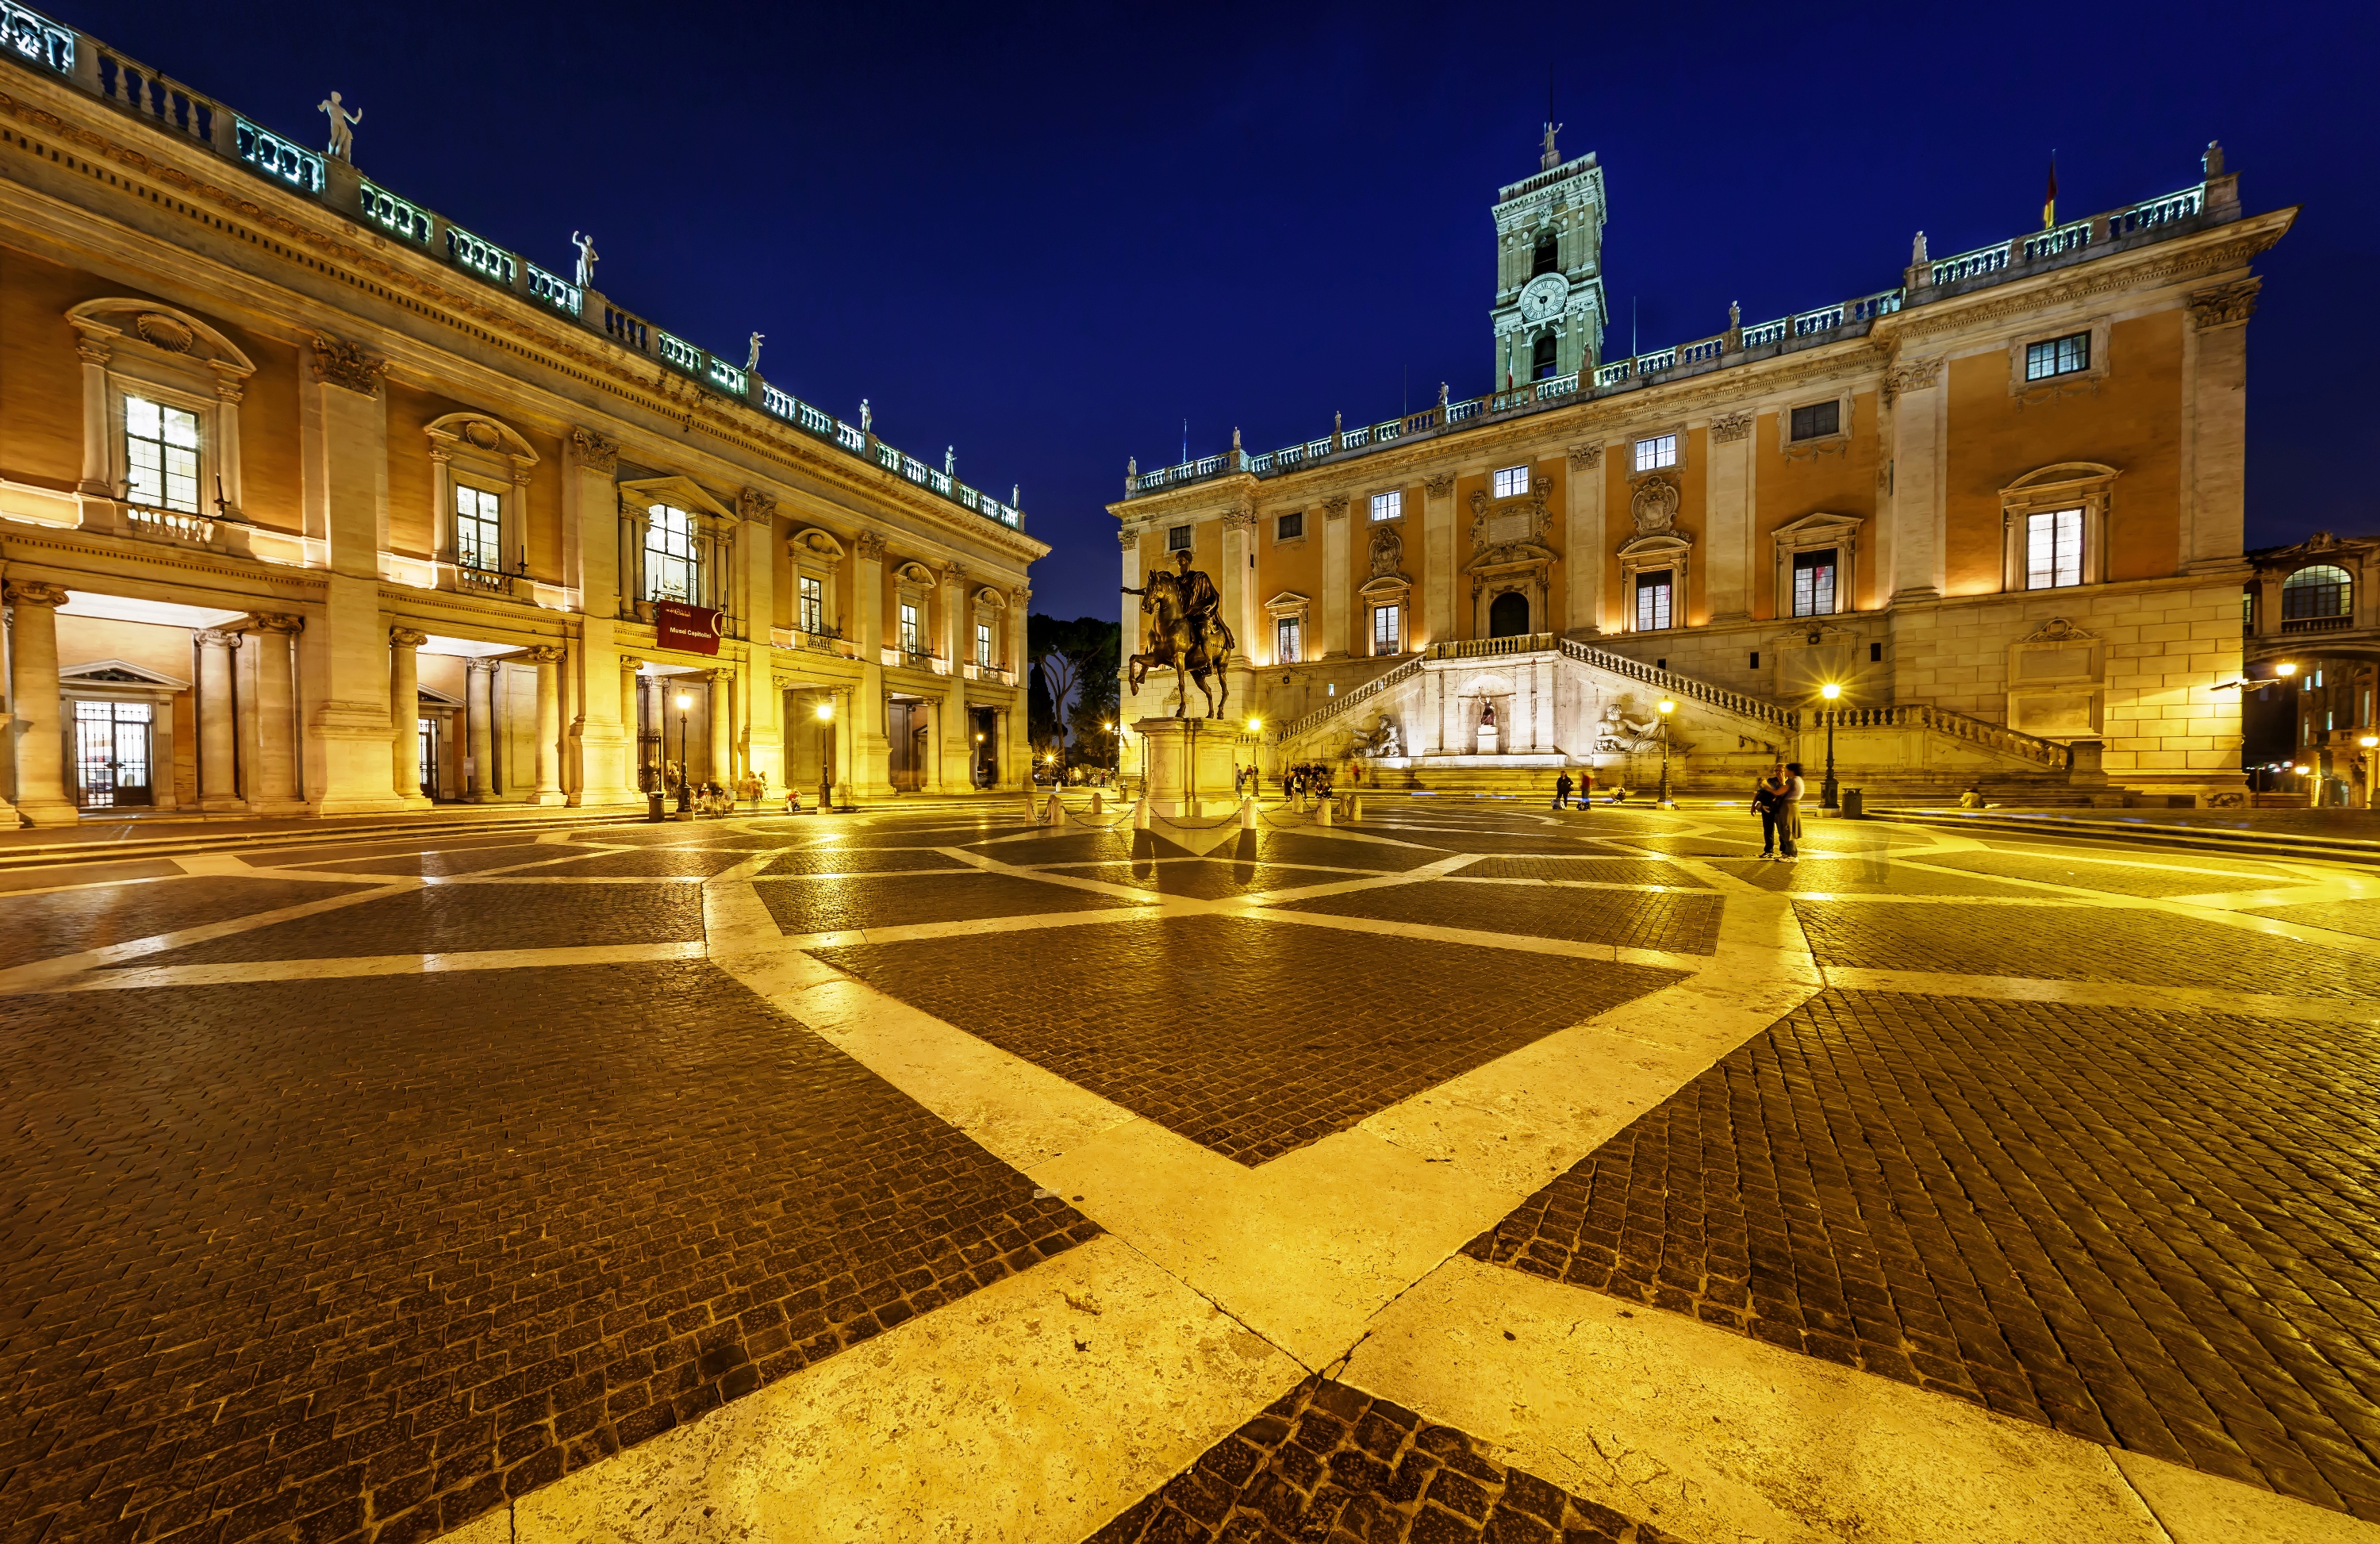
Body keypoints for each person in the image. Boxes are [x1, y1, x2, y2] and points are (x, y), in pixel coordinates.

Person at [1752, 766, 1786, 858]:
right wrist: (1753, 806)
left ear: (1785, 771)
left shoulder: (1788, 782)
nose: (1778, 772)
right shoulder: (1771, 780)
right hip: (1767, 809)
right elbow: (1759, 793)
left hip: (1779, 810)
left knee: (1782, 832)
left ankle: (1784, 851)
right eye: (1776, 770)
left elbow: (1783, 795)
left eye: (1781, 770)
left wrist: (1783, 783)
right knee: (1768, 830)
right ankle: (1768, 851)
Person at [1779, 762, 1806, 858]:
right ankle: (1788, 853)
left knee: (1787, 829)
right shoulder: (1799, 780)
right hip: (1794, 805)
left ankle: (1792, 854)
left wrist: (1765, 785)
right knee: (1789, 829)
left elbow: (1778, 792)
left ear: (1791, 771)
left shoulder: (1791, 781)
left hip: (1788, 807)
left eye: (1786, 769)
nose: (1785, 771)